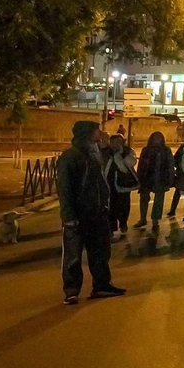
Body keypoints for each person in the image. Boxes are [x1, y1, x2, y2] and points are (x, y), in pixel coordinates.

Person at [57, 121, 123, 305]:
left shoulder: (94, 153)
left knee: (101, 252)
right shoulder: (70, 157)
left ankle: (102, 286)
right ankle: (71, 291)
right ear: (87, 134)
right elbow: (64, 188)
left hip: (97, 213)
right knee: (73, 255)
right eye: (96, 130)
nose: (100, 132)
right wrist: (68, 216)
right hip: (78, 215)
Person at [135, 131, 174, 231]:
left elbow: (170, 164)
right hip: (147, 177)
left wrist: (170, 177)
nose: (157, 140)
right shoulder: (146, 150)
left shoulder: (166, 150)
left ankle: (155, 219)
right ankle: (142, 218)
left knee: (158, 200)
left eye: (159, 138)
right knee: (144, 198)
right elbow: (141, 165)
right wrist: (138, 177)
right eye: (155, 138)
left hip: (160, 177)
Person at [102, 133, 139, 238]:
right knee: (111, 207)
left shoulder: (127, 151)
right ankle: (111, 228)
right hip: (109, 183)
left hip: (124, 183)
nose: (116, 144)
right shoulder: (106, 152)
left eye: (119, 142)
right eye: (113, 142)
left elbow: (131, 162)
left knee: (124, 205)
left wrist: (121, 155)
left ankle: (123, 223)